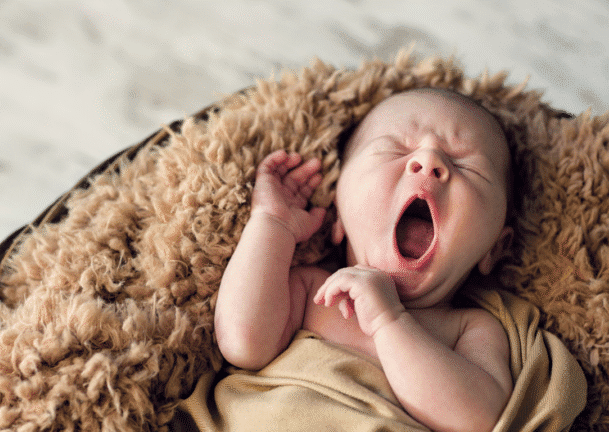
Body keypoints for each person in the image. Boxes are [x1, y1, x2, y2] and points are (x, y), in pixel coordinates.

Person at [214, 88, 516, 432]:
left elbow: (477, 420)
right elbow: (242, 343)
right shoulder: (312, 291)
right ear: (339, 214)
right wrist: (271, 223)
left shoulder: (471, 330)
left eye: (467, 165)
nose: (429, 161)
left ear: (495, 247)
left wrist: (389, 321)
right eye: (395, 149)